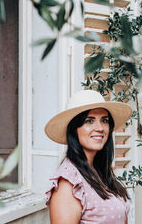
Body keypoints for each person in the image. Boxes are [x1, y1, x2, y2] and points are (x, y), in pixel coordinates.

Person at [45, 90, 133, 224]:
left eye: (104, 120)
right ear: (74, 129)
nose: (100, 128)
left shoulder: (99, 171)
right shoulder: (69, 183)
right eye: (89, 121)